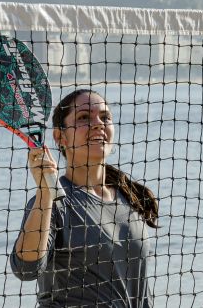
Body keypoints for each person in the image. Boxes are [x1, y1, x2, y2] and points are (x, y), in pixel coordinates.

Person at [10, 89, 158, 307]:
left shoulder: (130, 197)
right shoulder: (54, 202)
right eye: (84, 117)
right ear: (60, 136)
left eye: (105, 117)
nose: (98, 123)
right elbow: (26, 269)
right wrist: (44, 191)